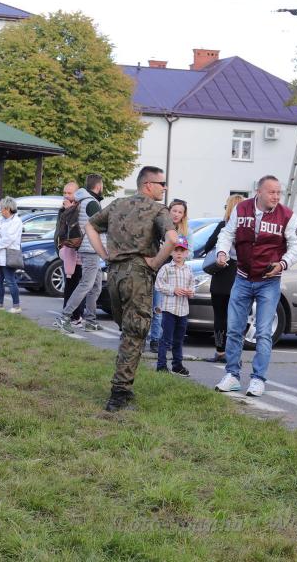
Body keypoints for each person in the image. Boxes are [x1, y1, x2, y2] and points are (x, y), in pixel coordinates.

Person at [85, 166, 178, 412]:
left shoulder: (117, 204)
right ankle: (119, 393)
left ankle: (122, 384)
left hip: (115, 275)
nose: (164, 188)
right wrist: (155, 263)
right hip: (138, 275)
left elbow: (90, 227)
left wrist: (104, 255)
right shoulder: (158, 209)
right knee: (134, 333)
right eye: (161, 184)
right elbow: (172, 239)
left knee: (127, 330)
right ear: (148, 185)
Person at [214, 175, 297, 397]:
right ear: (259, 192)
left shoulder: (287, 216)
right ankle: (232, 375)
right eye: (272, 192)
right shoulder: (242, 208)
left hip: (269, 280)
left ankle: (258, 379)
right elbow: (227, 233)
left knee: (263, 332)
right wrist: (222, 252)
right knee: (234, 329)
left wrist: (283, 263)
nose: (276, 196)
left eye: (278, 192)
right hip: (242, 277)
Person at [55, 173, 104, 332]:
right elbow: (101, 226)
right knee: (86, 284)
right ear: (98, 186)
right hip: (91, 249)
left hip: (89, 249)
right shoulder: (92, 203)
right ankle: (64, 317)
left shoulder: (83, 200)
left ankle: (90, 320)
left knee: (95, 286)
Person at [202, 194, 245, 363]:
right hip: (240, 277)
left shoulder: (223, 226)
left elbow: (208, 246)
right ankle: (234, 354)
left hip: (221, 277)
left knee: (220, 317)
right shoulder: (248, 229)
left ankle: (220, 352)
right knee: (236, 318)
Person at [148, 198, 192, 351]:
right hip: (156, 269)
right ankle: (150, 336)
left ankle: (158, 339)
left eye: (180, 212)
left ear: (183, 215)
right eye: (174, 211)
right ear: (169, 211)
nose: (176, 214)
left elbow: (190, 252)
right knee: (153, 306)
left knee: (162, 308)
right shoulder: (161, 227)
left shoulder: (186, 232)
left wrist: (178, 253)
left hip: (174, 273)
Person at [154, 235, 194, 376]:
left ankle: (177, 365)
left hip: (183, 310)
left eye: (182, 251)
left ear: (187, 253)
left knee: (179, 340)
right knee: (166, 339)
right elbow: (158, 285)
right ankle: (161, 365)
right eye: (176, 250)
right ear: (171, 252)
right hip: (169, 310)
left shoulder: (189, 270)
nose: (179, 253)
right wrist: (173, 290)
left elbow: (192, 286)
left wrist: (190, 292)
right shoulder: (166, 268)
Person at [56, 181, 85, 326]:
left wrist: (68, 210)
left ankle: (76, 316)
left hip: (78, 254)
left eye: (69, 193)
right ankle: (68, 315)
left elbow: (75, 227)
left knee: (77, 286)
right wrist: (59, 246)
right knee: (68, 286)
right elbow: (60, 230)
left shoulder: (79, 208)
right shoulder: (63, 208)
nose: (66, 195)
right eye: (64, 192)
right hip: (67, 252)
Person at [0, 197, 24, 313]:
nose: (0, 210)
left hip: (8, 256)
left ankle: (16, 306)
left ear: (8, 209)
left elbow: (9, 238)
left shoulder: (16, 221)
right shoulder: (2, 220)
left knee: (10, 281)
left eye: (2, 208)